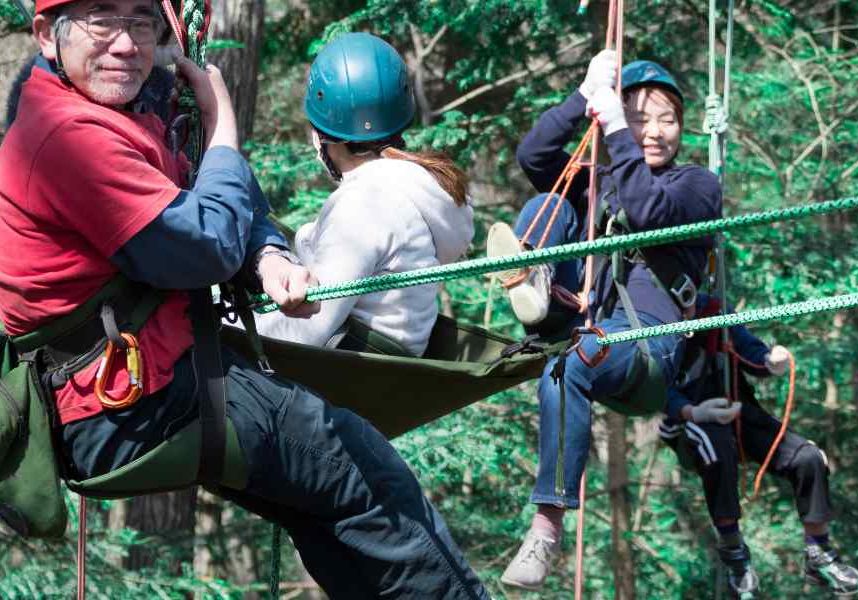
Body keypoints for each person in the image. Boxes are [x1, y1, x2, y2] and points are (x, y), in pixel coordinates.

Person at [0, 2, 489, 597]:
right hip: (130, 401)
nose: (126, 43)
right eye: (102, 20)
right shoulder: (67, 137)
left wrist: (269, 257)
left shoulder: (131, 104)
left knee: (326, 508)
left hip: (153, 378)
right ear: (49, 36)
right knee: (365, 472)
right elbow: (205, 243)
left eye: (140, 20)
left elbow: (220, 191)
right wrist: (222, 117)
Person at [492, 50, 722, 590]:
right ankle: (540, 289)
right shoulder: (604, 181)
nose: (655, 131)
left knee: (573, 361)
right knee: (548, 203)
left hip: (647, 347)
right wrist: (583, 96)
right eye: (641, 117)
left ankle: (545, 530)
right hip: (584, 324)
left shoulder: (697, 186)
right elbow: (533, 156)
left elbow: (647, 213)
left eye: (667, 119)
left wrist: (617, 127)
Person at [251, 33, 474, 357]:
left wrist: (225, 330)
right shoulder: (413, 191)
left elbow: (304, 330)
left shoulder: (366, 205)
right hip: (386, 381)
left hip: (347, 381)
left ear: (323, 137)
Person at [660, 294, 858, 598]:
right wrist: (691, 411)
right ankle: (736, 561)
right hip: (689, 421)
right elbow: (648, 387)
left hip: (737, 411)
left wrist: (770, 361)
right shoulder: (652, 319)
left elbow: (746, 347)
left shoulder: (713, 310)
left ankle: (819, 553)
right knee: (716, 453)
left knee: (809, 458)